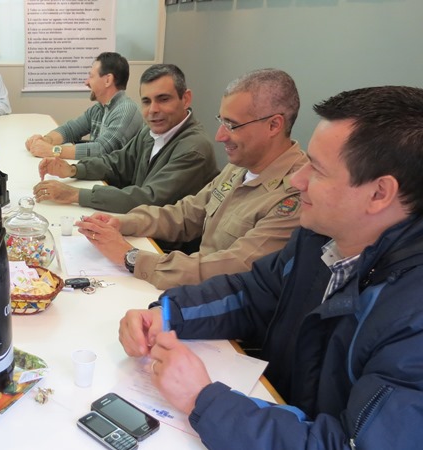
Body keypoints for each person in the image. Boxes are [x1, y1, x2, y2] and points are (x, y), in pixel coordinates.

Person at [119, 85, 423, 449]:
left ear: (379, 193)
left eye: (318, 170)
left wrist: (203, 400)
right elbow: (251, 294)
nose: (298, 180)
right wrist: (168, 314)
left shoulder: (412, 320)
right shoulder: (319, 238)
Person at [77, 69, 307, 289]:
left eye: (232, 125)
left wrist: (131, 257)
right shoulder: (241, 165)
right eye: (222, 121)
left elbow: (230, 269)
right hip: (193, 286)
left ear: (274, 125)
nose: (220, 136)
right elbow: (187, 214)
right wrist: (123, 222)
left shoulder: (296, 195)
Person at [34, 64, 217, 214]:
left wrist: (74, 194)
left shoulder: (194, 149)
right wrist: (73, 170)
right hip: (140, 226)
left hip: (164, 247)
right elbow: (116, 163)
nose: (153, 110)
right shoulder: (152, 132)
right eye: (146, 101)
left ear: (185, 99)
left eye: (163, 99)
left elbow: (148, 199)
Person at [25, 52, 143, 160]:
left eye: (91, 76)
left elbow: (101, 150)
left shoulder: (126, 110)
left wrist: (52, 150)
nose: (86, 82)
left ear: (108, 80)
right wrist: (44, 141)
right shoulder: (99, 109)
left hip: (112, 182)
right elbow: (70, 129)